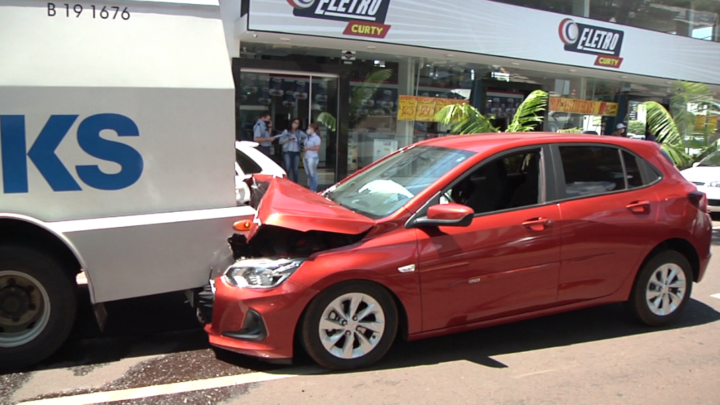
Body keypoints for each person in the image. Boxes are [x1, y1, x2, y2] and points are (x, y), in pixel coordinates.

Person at [278, 118, 307, 183]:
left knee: (295, 169)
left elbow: (306, 137)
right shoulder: (286, 132)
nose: (296, 124)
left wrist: (301, 141)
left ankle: (295, 183)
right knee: (287, 168)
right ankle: (285, 182)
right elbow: (280, 141)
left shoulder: (299, 132)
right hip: (287, 152)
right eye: (294, 122)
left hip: (296, 152)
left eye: (297, 123)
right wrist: (288, 139)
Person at [303, 123, 322, 192]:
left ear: (313, 129)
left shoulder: (316, 138)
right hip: (306, 157)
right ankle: (311, 188)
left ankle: (313, 189)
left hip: (312, 157)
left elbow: (317, 148)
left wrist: (308, 148)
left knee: (313, 174)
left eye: (309, 128)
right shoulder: (308, 137)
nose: (308, 130)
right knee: (309, 174)